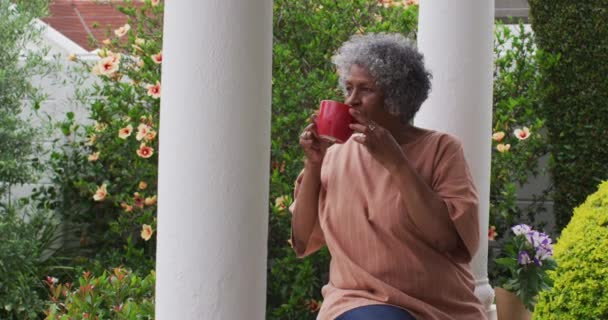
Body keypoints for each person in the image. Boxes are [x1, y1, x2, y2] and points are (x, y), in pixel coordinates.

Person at [289, 33, 487, 320]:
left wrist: (396, 163)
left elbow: (447, 240)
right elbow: (301, 241)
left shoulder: (441, 149)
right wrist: (313, 164)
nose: (351, 101)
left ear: (397, 97)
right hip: (356, 299)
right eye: (349, 88)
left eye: (365, 90)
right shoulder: (334, 156)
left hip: (439, 305)